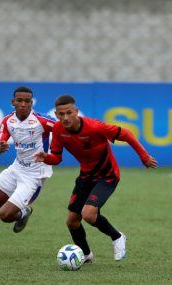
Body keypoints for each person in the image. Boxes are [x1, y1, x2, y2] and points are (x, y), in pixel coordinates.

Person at [35, 94, 157, 262]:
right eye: (61, 114)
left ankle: (117, 237)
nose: (65, 117)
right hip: (86, 176)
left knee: (89, 214)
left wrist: (144, 157)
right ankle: (86, 254)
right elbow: (56, 158)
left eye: (69, 113)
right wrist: (45, 157)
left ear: (76, 112)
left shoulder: (94, 127)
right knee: (72, 221)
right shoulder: (57, 130)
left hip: (107, 175)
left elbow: (127, 134)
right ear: (56, 115)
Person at [0, 86, 56, 256]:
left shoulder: (42, 120)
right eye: (19, 101)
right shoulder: (8, 121)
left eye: (27, 101)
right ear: (13, 102)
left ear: (31, 103)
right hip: (16, 168)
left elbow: (65, 129)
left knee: (5, 215)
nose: (23, 104)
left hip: (34, 175)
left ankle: (23, 212)